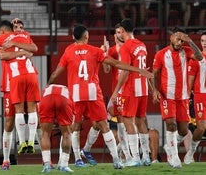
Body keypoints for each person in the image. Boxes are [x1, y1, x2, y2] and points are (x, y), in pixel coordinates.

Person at [47, 24, 153, 169]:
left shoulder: (68, 51)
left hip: (76, 93)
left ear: (73, 37)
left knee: (72, 128)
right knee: (104, 126)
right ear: (86, 37)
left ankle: (70, 160)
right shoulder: (95, 51)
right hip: (93, 93)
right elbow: (116, 64)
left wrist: (47, 87)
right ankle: (116, 160)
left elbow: (55, 73)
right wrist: (139, 70)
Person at [0, 19, 38, 170]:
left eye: (21, 26)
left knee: (37, 116)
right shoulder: (2, 40)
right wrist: (23, 51)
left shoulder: (24, 37)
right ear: (10, 28)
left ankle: (44, 158)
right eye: (16, 26)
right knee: (9, 123)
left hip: (23, 78)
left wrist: (22, 50)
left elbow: (33, 51)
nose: (19, 29)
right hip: (10, 84)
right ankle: (6, 160)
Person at [152, 27, 203, 168]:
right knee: (171, 124)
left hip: (183, 96)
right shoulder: (161, 54)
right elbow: (154, 74)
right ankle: (174, 156)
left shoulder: (186, 51)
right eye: (178, 39)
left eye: (182, 40)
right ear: (171, 38)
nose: (180, 42)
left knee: (183, 130)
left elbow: (199, 57)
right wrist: (155, 90)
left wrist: (190, 40)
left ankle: (169, 146)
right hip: (167, 95)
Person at [110, 18, 151, 167]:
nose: (119, 34)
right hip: (143, 88)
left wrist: (115, 91)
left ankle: (135, 157)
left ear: (124, 31)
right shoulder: (142, 45)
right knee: (140, 121)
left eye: (120, 31)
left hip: (131, 88)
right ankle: (146, 156)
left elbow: (125, 70)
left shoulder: (127, 46)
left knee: (128, 120)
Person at [102, 24, 133, 164]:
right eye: (116, 32)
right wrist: (105, 53)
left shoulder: (131, 48)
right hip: (119, 92)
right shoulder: (113, 51)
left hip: (132, 91)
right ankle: (128, 155)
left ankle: (125, 153)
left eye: (121, 31)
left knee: (136, 123)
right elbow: (107, 69)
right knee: (121, 124)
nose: (118, 34)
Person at [39, 84, 74, 173]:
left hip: (46, 99)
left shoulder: (45, 90)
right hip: (63, 98)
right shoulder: (68, 91)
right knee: (67, 133)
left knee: (45, 133)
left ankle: (47, 164)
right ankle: (64, 164)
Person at [184, 31, 206, 164]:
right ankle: (191, 151)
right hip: (200, 96)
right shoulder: (196, 59)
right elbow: (190, 82)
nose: (205, 43)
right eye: (203, 41)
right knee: (201, 128)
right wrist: (187, 98)